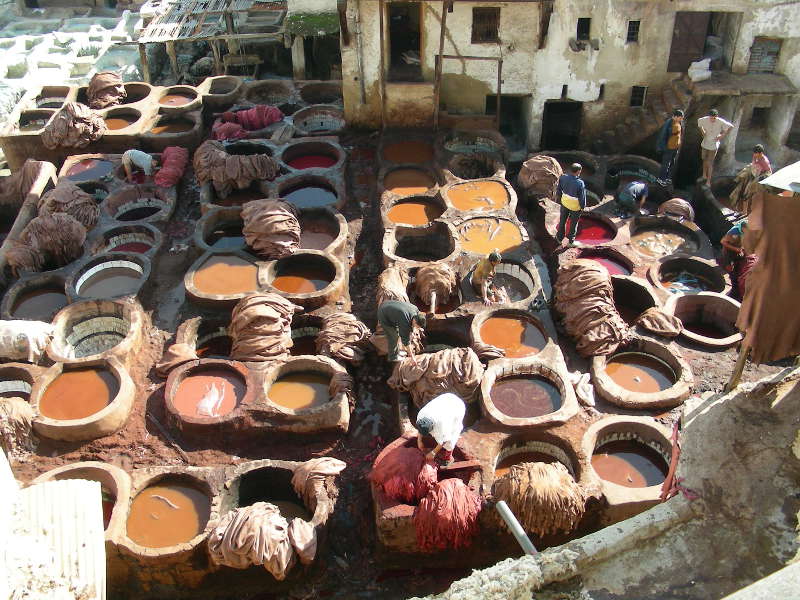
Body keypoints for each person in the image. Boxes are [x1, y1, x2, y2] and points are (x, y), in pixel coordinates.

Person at [415, 392, 466, 466]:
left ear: (432, 427)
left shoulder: (443, 425)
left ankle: (448, 457)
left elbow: (445, 440)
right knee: (438, 437)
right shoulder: (421, 415)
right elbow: (420, 427)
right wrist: (419, 441)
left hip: (457, 408)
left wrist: (433, 453)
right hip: (445, 399)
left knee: (451, 439)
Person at [719, 219, 757, 300]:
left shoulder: (747, 232)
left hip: (738, 253)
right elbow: (723, 241)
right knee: (731, 270)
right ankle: (733, 290)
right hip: (729, 254)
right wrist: (737, 249)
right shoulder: (734, 232)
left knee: (738, 270)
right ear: (743, 229)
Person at [729, 144, 772, 214]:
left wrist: (757, 179)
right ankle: (739, 208)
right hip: (754, 172)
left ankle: (747, 211)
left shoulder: (764, 161)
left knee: (748, 191)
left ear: (761, 153)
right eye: (754, 153)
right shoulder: (755, 156)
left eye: (756, 153)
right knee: (741, 183)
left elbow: (768, 172)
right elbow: (753, 164)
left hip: (761, 176)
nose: (754, 154)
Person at [555, 163, 587, 247]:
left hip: (564, 203)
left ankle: (559, 238)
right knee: (573, 224)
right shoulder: (580, 183)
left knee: (562, 221)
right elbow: (582, 197)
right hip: (575, 207)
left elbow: (558, 190)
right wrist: (582, 207)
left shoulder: (563, 177)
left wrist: (559, 199)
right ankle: (570, 242)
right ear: (579, 171)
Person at [697, 109, 733, 183]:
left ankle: (708, 181)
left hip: (713, 145)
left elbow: (731, 126)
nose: (712, 119)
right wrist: (703, 132)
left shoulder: (720, 121)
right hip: (705, 143)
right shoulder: (704, 119)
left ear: (716, 117)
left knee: (710, 162)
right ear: (709, 116)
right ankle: (704, 175)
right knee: (704, 159)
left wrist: (721, 136)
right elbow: (699, 123)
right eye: (711, 118)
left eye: (714, 118)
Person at [656, 108, 684, 182]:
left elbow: (680, 133)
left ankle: (668, 178)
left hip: (675, 148)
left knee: (672, 163)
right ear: (675, 116)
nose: (681, 119)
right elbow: (663, 135)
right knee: (665, 164)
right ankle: (661, 179)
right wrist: (662, 147)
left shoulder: (679, 123)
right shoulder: (669, 123)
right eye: (680, 118)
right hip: (669, 148)